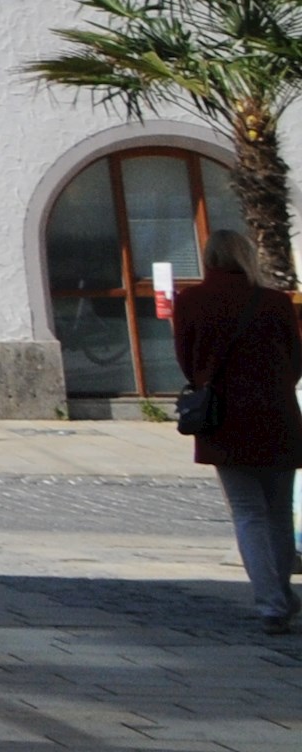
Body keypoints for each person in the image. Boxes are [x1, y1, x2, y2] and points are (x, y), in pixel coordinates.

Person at [175, 225, 302, 631]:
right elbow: (297, 358)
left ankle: (270, 603)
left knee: (248, 512)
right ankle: (280, 592)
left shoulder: (192, 300)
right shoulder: (275, 302)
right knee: (279, 512)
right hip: (278, 414)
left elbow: (186, 359)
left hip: (223, 417)